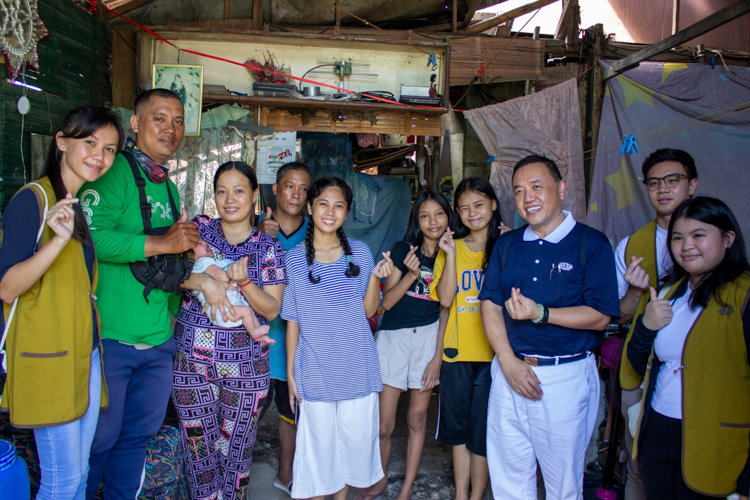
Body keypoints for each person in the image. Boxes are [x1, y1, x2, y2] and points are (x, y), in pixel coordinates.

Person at [479, 155, 620, 500]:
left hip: (564, 377)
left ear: (561, 188)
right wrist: (509, 363)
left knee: (562, 486)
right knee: (509, 480)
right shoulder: (508, 245)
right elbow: (490, 305)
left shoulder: (591, 243)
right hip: (510, 370)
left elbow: (601, 315)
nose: (528, 198)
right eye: (519, 191)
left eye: (537, 186)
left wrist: (542, 313)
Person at [0, 107, 123, 500]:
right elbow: (7, 288)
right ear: (61, 142)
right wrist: (55, 242)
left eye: (109, 149)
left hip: (82, 355)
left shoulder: (73, 203)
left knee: (79, 473)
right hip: (48, 357)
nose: (99, 157)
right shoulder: (32, 201)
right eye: (90, 143)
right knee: (63, 481)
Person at [83, 89, 200, 500]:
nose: (171, 129)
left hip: (156, 343)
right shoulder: (113, 173)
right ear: (135, 123)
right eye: (160, 118)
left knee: (136, 440)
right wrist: (162, 244)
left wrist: (170, 315)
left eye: (178, 121)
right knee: (97, 442)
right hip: (112, 339)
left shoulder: (165, 185)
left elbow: (173, 263)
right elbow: (90, 239)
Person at [625, 197, 750, 500]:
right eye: (678, 238)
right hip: (658, 432)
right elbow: (635, 363)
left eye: (698, 235)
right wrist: (646, 326)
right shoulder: (667, 293)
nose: (686, 246)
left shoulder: (744, 294)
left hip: (716, 442)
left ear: (728, 239)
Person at [175, 161, 286, 500]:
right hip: (192, 363)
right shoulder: (199, 230)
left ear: (255, 195)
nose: (230, 198)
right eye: (221, 191)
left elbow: (272, 309)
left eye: (239, 190)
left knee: (234, 452)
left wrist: (244, 282)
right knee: (197, 450)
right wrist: (205, 282)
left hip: (245, 369)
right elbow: (169, 273)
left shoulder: (268, 247)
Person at [282, 177, 394, 500]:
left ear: (346, 213)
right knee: (319, 458)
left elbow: (369, 309)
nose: (330, 212)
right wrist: (291, 375)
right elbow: (293, 323)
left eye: (339, 206)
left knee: (350, 454)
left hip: (356, 370)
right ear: (310, 208)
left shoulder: (359, 253)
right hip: (315, 372)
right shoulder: (295, 259)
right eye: (323, 204)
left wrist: (375, 277)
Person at [356, 189, 452, 500]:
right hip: (393, 339)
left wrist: (438, 357)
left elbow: (446, 305)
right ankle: (380, 480)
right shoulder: (402, 249)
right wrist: (411, 275)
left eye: (438, 214)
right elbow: (386, 304)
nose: (432, 221)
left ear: (448, 217)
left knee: (417, 418)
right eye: (424, 215)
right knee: (384, 425)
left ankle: (407, 487)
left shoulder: (452, 253)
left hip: (428, 339)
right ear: (416, 220)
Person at [615, 148, 698, 500]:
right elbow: (618, 315)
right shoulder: (630, 245)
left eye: (672, 180)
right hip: (641, 366)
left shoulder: (710, 236)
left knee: (698, 461)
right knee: (641, 460)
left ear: (691, 185)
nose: (663, 189)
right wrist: (635, 293)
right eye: (654, 183)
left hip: (700, 372)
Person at [429, 177, 503, 500]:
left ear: (493, 205)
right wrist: (453, 256)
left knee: (482, 433)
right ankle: (462, 495)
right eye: (464, 208)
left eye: (479, 205)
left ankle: (476, 497)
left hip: (494, 356)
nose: (472, 213)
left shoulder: (506, 248)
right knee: (458, 434)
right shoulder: (451, 248)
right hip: (456, 356)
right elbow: (446, 300)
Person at [256, 161, 312, 496]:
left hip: (297, 343)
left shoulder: (317, 232)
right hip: (258, 341)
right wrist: (260, 239)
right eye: (290, 185)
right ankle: (232, 473)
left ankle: (286, 473)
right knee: (247, 412)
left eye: (304, 188)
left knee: (291, 413)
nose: (296, 194)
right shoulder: (253, 228)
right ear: (275, 189)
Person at [191, 239, 273, 344]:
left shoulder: (209, 263)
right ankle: (255, 333)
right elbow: (219, 275)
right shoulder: (202, 262)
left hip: (224, 310)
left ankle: (259, 333)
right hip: (221, 312)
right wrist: (237, 275)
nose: (203, 243)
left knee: (248, 310)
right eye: (198, 243)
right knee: (246, 311)